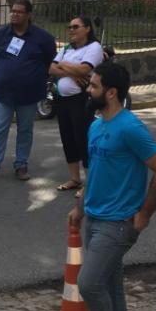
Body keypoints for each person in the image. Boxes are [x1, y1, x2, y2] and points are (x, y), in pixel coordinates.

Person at [69, 63, 156, 311]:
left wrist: (144, 214)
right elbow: (95, 171)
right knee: (110, 287)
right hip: (95, 218)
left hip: (117, 225)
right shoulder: (96, 125)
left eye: (94, 86)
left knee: (89, 284)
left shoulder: (130, 127)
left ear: (111, 93)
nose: (89, 90)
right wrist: (80, 205)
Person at [0, 0, 58, 182]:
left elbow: (50, 63)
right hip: (3, 93)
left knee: (25, 130)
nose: (14, 14)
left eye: (19, 12)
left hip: (29, 95)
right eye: (13, 11)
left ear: (29, 15)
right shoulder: (1, 35)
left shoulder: (43, 38)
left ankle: (21, 165)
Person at [47, 15, 104, 192]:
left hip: (81, 100)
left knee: (83, 139)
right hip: (62, 100)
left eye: (75, 27)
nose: (71, 30)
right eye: (69, 27)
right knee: (68, 139)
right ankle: (74, 178)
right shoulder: (67, 48)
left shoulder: (93, 47)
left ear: (87, 28)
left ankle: (90, 182)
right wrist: (72, 73)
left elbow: (84, 69)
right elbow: (51, 68)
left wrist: (63, 64)